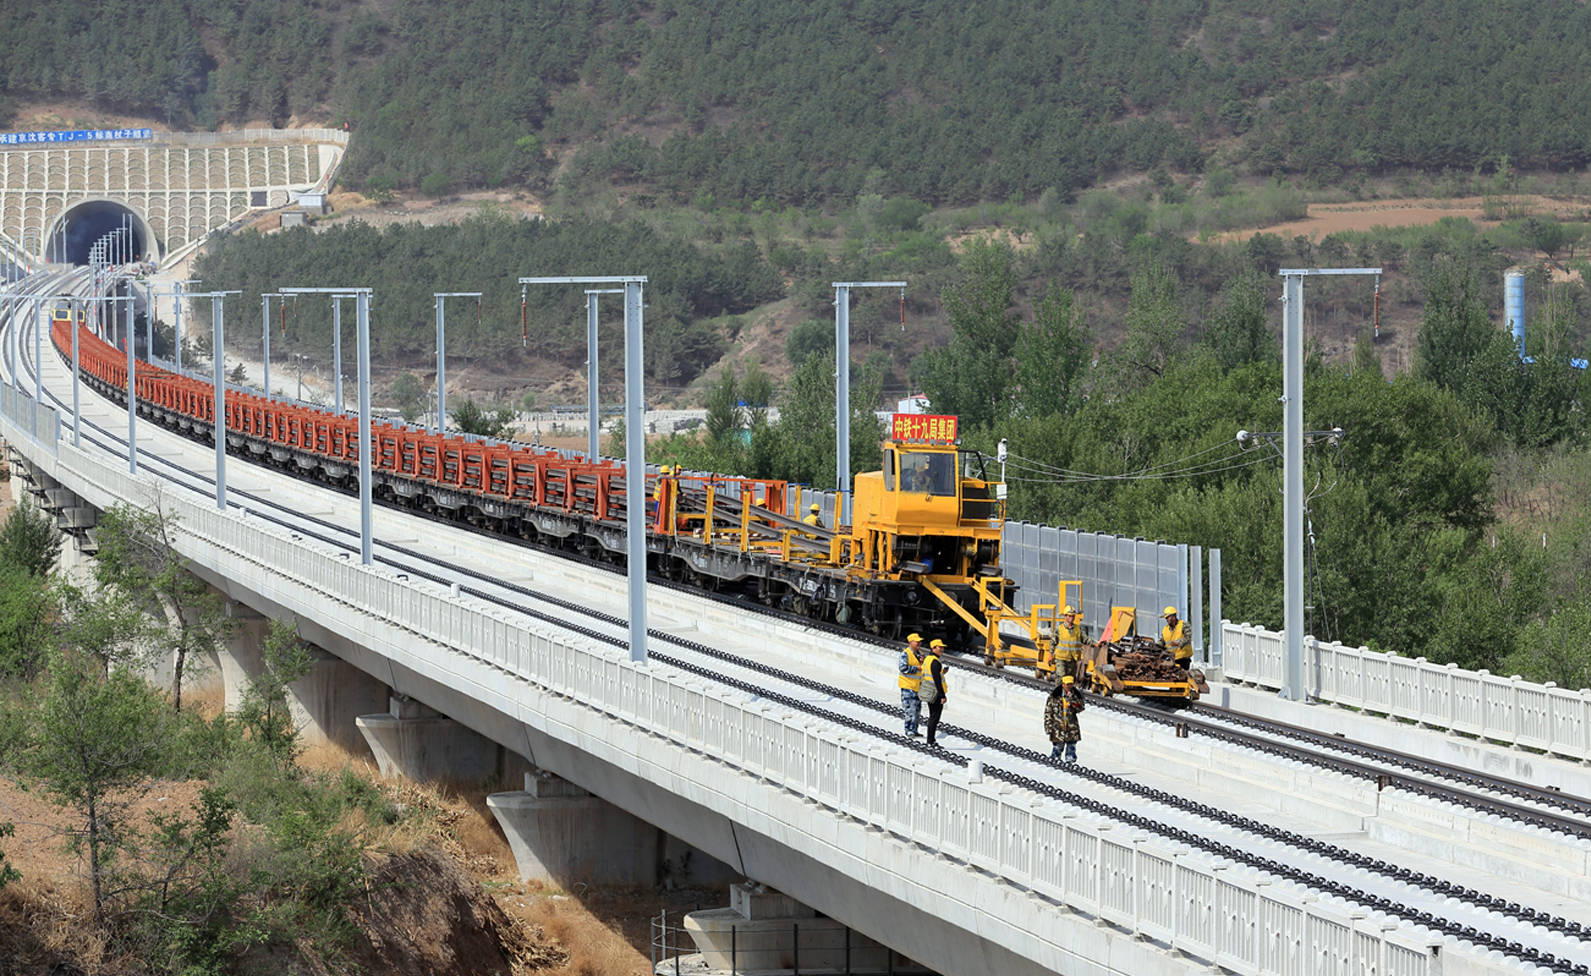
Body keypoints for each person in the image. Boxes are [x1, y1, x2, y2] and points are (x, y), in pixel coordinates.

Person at [1044, 675, 1084, 762]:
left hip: (1071, 729)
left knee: (1071, 751)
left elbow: (1080, 708)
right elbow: (1048, 713)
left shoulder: (1076, 695)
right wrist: (1048, 727)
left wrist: (1072, 699)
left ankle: (1070, 766)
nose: (1069, 687)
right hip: (1058, 728)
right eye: (1067, 684)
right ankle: (1055, 764)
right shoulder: (1054, 696)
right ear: (1063, 684)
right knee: (1057, 749)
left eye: (1071, 684)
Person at [922, 638, 950, 746]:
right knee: (934, 717)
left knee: (932, 716)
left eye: (942, 647)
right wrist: (942, 695)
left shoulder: (928, 659)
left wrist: (942, 672)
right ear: (933, 648)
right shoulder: (935, 661)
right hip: (935, 693)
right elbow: (937, 680)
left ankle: (931, 740)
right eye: (940, 647)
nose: (942, 649)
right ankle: (930, 740)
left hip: (929, 690)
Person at [898, 633, 924, 736]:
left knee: (917, 711)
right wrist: (916, 668)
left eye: (919, 641)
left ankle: (914, 730)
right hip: (908, 687)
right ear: (910, 642)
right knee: (909, 710)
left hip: (917, 687)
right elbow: (903, 668)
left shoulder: (920, 654)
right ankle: (909, 730)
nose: (919, 643)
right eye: (916, 641)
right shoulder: (905, 654)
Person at [1053, 605, 1084, 681]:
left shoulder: (1077, 629)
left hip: (1073, 658)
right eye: (1069, 616)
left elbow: (1085, 638)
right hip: (1061, 658)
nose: (1071, 618)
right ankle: (1059, 692)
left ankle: (1068, 692)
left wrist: (1095, 644)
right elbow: (1053, 641)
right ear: (1065, 616)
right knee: (1061, 677)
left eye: (1073, 616)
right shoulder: (1060, 629)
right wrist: (1051, 654)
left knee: (1070, 679)